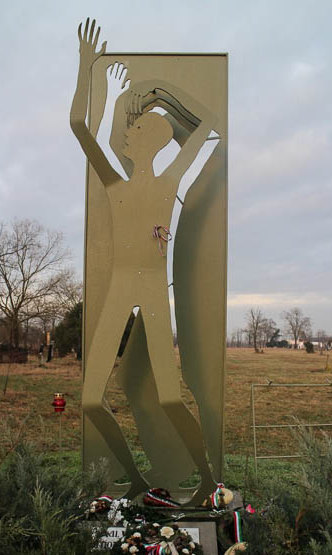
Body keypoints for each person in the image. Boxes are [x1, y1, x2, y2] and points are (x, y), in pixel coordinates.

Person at [70, 19, 218, 503]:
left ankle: (207, 480)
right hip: (120, 286)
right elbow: (79, 126)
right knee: (91, 399)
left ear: (148, 142)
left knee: (170, 396)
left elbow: (208, 126)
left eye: (133, 130)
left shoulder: (170, 181)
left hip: (153, 289)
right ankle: (135, 482)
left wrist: (161, 97)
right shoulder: (115, 184)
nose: (126, 136)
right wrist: (88, 71)